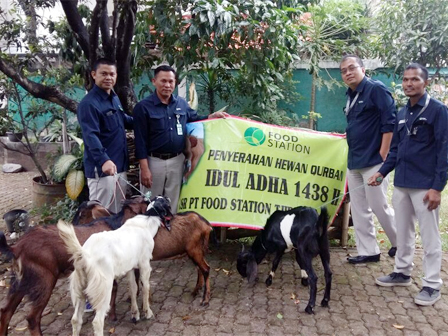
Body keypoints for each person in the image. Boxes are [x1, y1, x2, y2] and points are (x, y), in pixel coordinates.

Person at [369, 63, 448, 306]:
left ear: (425, 83)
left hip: (425, 186)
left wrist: (437, 188)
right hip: (402, 183)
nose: (408, 84)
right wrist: (382, 173)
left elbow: (445, 150)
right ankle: (402, 272)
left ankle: (432, 284)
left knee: (430, 236)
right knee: (403, 233)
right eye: (405, 80)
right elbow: (395, 150)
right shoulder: (402, 114)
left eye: (414, 79)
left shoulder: (438, 111)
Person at [133, 65, 228, 212]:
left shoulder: (181, 104)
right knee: (150, 205)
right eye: (163, 81)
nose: (167, 85)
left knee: (172, 204)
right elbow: (140, 141)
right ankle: (151, 234)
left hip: (176, 162)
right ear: (154, 81)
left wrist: (210, 117)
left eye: (171, 81)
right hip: (154, 163)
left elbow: (195, 118)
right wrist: (145, 169)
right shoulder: (143, 107)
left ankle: (170, 234)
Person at [340, 54, 397, 264]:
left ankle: (401, 243)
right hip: (355, 161)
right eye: (344, 70)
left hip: (374, 161)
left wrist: (383, 155)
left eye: (352, 68)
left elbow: (390, 121)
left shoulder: (376, 89)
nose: (348, 73)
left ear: (363, 69)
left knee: (379, 205)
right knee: (359, 208)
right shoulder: (350, 94)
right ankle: (368, 251)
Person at [77, 58, 133, 214]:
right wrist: (104, 160)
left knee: (116, 215)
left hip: (119, 167)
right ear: (94, 75)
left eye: (112, 74)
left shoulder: (114, 98)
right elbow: (90, 136)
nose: (109, 77)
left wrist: (148, 121)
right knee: (100, 216)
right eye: (104, 74)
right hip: (102, 170)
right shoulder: (89, 104)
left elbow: (124, 120)